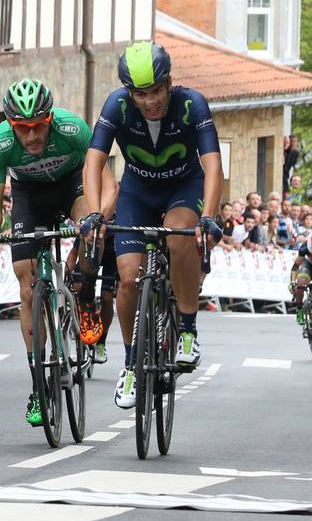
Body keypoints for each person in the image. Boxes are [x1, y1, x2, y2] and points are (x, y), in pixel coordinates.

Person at [80, 41, 224, 410]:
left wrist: (208, 216)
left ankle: (188, 331)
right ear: (130, 92)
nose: (151, 101)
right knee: (127, 278)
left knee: (179, 240)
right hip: (138, 192)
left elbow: (212, 165)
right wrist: (95, 212)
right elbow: (94, 163)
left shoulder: (192, 104)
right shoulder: (117, 105)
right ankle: (130, 363)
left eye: (157, 90)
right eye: (141, 94)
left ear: (169, 83)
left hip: (183, 187)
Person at [0, 78, 117, 427]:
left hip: (73, 184)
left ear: (50, 119)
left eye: (40, 126)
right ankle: (39, 386)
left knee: (92, 230)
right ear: (11, 127)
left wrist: (96, 219)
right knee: (27, 283)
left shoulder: (72, 129)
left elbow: (107, 183)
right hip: (29, 198)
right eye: (23, 129)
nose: (33, 136)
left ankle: (84, 294)